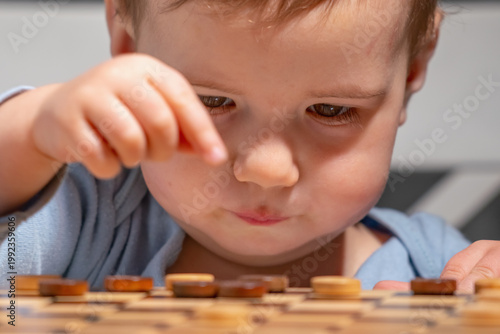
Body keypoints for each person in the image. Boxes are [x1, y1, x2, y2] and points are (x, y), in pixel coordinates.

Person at [0, 0, 498, 293]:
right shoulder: (89, 224)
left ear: (410, 73)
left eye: (330, 111)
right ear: (129, 48)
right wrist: (29, 133)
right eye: (212, 101)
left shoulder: (437, 268)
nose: (265, 169)